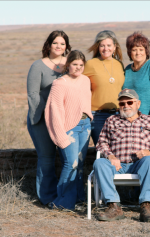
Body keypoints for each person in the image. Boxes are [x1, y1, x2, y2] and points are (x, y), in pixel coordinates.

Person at [93, 88, 150, 222]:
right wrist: (110, 156)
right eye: (122, 103)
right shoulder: (111, 120)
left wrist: (149, 152)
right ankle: (114, 206)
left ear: (138, 103)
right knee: (99, 163)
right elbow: (101, 143)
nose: (126, 106)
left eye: (129, 102)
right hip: (117, 165)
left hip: (139, 164)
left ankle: (146, 207)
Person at [26, 30, 71, 206]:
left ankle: (66, 195)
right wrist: (49, 113)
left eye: (62, 43)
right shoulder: (38, 66)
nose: (58, 46)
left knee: (69, 158)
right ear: (48, 45)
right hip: (41, 119)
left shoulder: (71, 64)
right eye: (55, 43)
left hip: (66, 119)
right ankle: (47, 197)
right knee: (46, 157)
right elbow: (33, 95)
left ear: (66, 46)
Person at [45, 50, 92, 209]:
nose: (78, 68)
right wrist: (60, 135)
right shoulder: (60, 83)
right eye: (74, 64)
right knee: (70, 164)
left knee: (79, 164)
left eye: (81, 65)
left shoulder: (85, 80)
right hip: (69, 129)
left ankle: (78, 199)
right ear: (68, 65)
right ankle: (61, 202)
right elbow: (55, 110)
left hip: (85, 126)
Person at [83, 30, 125, 145]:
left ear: (115, 47)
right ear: (98, 47)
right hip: (97, 116)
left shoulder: (119, 64)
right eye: (102, 45)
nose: (106, 49)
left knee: (117, 151)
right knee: (102, 151)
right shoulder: (90, 64)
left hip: (118, 115)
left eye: (109, 45)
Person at [123, 31, 150, 125]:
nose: (138, 53)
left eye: (141, 49)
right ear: (129, 52)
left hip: (147, 121)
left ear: (146, 51)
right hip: (127, 120)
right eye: (134, 50)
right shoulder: (127, 70)